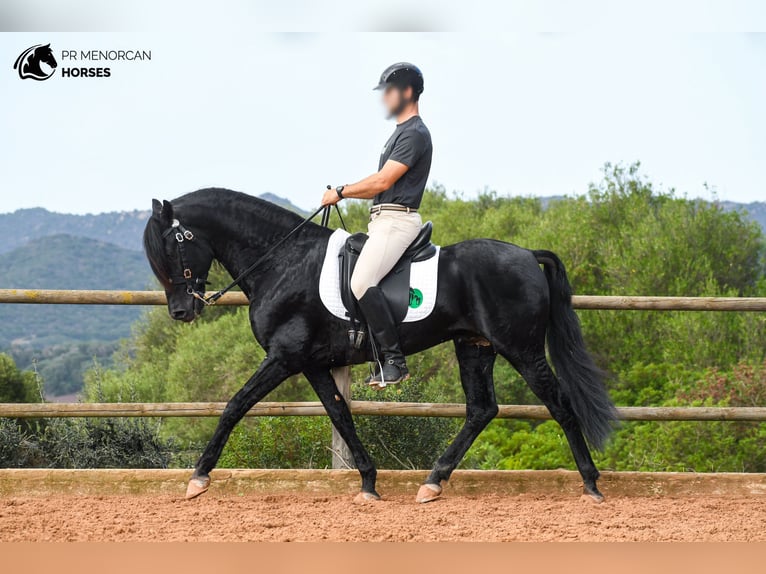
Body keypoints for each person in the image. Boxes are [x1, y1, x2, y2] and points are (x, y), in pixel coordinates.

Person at [321, 62, 433, 386]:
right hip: (382, 221)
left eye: (389, 91)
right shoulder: (399, 133)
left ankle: (395, 362)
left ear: (408, 92)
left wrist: (341, 192)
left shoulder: (414, 133)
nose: (385, 97)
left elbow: (383, 181)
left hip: (397, 222)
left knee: (360, 281)